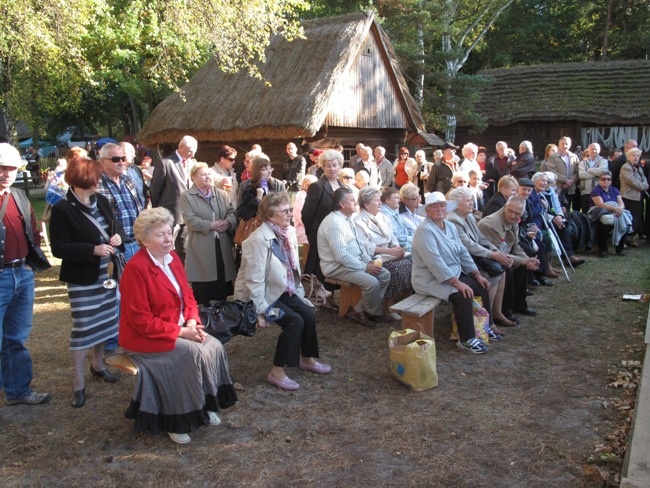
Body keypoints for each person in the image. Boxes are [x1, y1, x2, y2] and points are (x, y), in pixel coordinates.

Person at [119, 207, 237, 444]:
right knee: (190, 353)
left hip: (179, 327)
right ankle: (177, 418)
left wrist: (192, 320)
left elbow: (188, 296)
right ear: (144, 239)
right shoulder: (136, 268)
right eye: (160, 235)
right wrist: (181, 332)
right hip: (143, 337)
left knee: (213, 345)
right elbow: (141, 320)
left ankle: (205, 403)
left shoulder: (172, 259)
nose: (168, 239)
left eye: (168, 233)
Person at [234, 192, 330, 391]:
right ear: (269, 215)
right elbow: (254, 280)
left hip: (283, 289)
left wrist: (300, 293)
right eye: (284, 211)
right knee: (295, 321)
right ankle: (276, 372)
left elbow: (293, 267)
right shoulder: (258, 240)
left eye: (289, 209)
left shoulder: (289, 231)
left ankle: (307, 359)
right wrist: (259, 311)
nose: (289, 214)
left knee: (308, 313)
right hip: (262, 295)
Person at [50, 155, 125, 408]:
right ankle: (78, 382)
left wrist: (116, 238)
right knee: (83, 327)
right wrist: (92, 250)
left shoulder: (101, 200)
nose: (99, 183)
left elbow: (117, 229)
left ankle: (98, 364)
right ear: (83, 180)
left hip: (107, 273)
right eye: (95, 179)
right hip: (83, 278)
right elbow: (59, 247)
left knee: (105, 321)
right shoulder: (62, 209)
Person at [0, 143, 51, 406]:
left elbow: (33, 231)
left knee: (16, 338)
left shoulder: (19, 196)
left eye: (11, 168)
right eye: (2, 168)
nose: (7, 173)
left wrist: (30, 264)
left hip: (21, 273)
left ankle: (18, 391)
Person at [411, 192, 494, 354]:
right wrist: (457, 283)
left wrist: (476, 273)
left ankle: (485, 326)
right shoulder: (424, 231)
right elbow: (435, 263)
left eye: (442, 205)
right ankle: (467, 339)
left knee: (482, 285)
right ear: (427, 211)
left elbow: (462, 251)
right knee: (462, 294)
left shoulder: (449, 226)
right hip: (429, 280)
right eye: (434, 206)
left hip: (451, 274)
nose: (439, 209)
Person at [318, 187, 392, 327]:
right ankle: (373, 313)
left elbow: (358, 246)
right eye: (352, 200)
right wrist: (365, 267)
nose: (356, 203)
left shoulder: (347, 218)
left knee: (384, 275)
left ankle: (359, 310)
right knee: (372, 282)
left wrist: (368, 260)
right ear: (342, 204)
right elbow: (341, 256)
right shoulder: (335, 223)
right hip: (336, 267)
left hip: (350, 263)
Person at [446, 187, 513, 332]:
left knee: (502, 271)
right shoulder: (453, 219)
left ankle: (497, 312)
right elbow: (468, 245)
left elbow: (481, 238)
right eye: (468, 201)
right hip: (461, 263)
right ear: (457, 203)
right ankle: (486, 321)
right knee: (492, 277)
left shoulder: (468, 216)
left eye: (472, 200)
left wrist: (495, 250)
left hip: (474, 258)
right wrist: (493, 255)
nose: (472, 204)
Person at [180, 163, 237, 305]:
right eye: (203, 174)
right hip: (202, 247)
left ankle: (222, 314)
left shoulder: (221, 194)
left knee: (222, 283)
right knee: (204, 286)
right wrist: (211, 226)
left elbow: (232, 212)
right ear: (194, 178)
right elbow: (190, 219)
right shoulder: (187, 197)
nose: (208, 177)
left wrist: (228, 222)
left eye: (209, 174)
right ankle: (205, 316)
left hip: (222, 245)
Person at [478, 196, 541, 319]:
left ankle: (519, 305)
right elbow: (499, 253)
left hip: (502, 254)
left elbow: (515, 245)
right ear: (505, 207)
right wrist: (524, 261)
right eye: (510, 211)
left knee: (522, 266)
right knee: (508, 268)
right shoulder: (490, 224)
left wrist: (527, 259)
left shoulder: (514, 221)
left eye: (517, 214)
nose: (513, 215)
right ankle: (504, 311)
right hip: (487, 258)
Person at [301, 149, 347, 310]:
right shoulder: (317, 186)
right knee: (317, 268)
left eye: (335, 165)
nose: (332, 169)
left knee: (332, 266)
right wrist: (312, 234)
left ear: (340, 166)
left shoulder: (342, 186)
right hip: (319, 235)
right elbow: (306, 213)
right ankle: (317, 297)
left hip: (337, 234)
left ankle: (330, 297)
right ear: (323, 167)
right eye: (328, 166)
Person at [355, 187, 412, 313]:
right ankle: (389, 305)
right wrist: (389, 252)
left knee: (408, 264)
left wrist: (396, 248)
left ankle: (408, 301)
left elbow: (392, 237)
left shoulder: (383, 217)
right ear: (366, 204)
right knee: (394, 269)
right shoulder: (358, 221)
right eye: (377, 200)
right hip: (374, 256)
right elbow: (365, 246)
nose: (381, 203)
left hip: (389, 253)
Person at [149, 135, 197, 262]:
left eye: (194, 151)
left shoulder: (193, 164)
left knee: (185, 248)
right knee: (167, 247)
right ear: (181, 147)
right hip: (170, 213)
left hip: (187, 214)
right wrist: (159, 210)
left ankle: (182, 275)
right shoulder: (166, 163)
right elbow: (155, 189)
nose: (192, 154)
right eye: (190, 151)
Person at [97, 143, 144, 261]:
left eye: (123, 158)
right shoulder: (97, 184)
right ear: (102, 161)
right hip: (115, 247)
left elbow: (139, 209)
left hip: (138, 243)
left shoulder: (128, 180)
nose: (121, 162)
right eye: (115, 159)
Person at [589, 171, 631, 257]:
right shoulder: (596, 190)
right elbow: (600, 204)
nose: (606, 181)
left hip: (615, 213)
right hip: (600, 214)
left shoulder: (614, 190)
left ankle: (619, 249)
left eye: (608, 179)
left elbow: (621, 203)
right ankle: (603, 250)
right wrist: (614, 209)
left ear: (611, 181)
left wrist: (620, 209)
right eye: (603, 179)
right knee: (603, 226)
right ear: (599, 180)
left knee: (625, 223)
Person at [237, 155, 286, 222]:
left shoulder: (273, 186)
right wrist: (257, 199)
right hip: (257, 227)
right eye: (264, 169)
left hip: (273, 226)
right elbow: (244, 214)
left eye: (270, 168)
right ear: (257, 171)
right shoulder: (250, 189)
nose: (269, 171)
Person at [619, 147, 648, 241]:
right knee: (629, 218)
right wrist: (644, 186)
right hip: (628, 197)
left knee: (636, 218)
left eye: (637, 155)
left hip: (637, 196)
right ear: (628, 157)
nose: (636, 157)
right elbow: (632, 182)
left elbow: (644, 179)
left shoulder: (638, 167)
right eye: (633, 155)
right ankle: (625, 239)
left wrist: (645, 185)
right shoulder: (626, 167)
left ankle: (632, 238)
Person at [546, 136, 580, 211]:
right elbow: (552, 172)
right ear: (559, 145)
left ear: (570, 145)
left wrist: (570, 181)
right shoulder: (553, 157)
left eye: (567, 144)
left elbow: (577, 172)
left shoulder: (574, 156)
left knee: (569, 210)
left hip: (571, 188)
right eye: (562, 144)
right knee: (559, 209)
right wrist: (565, 180)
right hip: (558, 188)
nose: (565, 146)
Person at [578, 143, 609, 213]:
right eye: (592, 149)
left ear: (599, 150)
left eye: (596, 149)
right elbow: (581, 175)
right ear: (588, 150)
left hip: (599, 191)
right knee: (586, 213)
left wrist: (589, 170)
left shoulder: (603, 161)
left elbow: (602, 172)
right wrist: (596, 174)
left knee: (597, 213)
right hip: (585, 191)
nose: (594, 151)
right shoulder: (583, 162)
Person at [120, 141, 148, 208]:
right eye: (131, 152)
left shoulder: (135, 169)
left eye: (134, 152)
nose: (134, 155)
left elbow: (144, 190)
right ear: (121, 153)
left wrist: (147, 205)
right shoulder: (114, 172)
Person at [292, 174, 318, 245]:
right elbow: (302, 217)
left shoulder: (312, 196)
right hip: (303, 233)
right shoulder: (301, 197)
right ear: (306, 185)